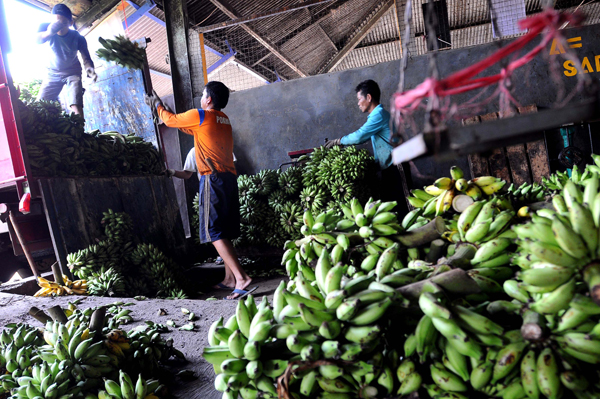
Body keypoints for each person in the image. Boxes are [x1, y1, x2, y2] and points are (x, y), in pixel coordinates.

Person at [145, 82, 254, 300]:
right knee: (223, 231)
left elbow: (170, 121)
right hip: (228, 178)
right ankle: (229, 279)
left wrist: (157, 105)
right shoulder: (223, 120)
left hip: (212, 178)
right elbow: (186, 127)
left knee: (213, 232)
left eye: (203, 96)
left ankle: (242, 279)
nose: (201, 99)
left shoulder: (201, 114)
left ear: (209, 100)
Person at [324, 79, 407, 213]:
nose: (358, 103)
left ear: (368, 97)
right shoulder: (377, 115)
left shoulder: (379, 115)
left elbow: (360, 136)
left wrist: (338, 141)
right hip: (388, 167)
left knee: (403, 203)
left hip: (397, 166)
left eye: (359, 99)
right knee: (392, 205)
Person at [36, 4, 97, 118]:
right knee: (39, 105)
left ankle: (79, 130)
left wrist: (90, 70)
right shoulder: (46, 29)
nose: (59, 26)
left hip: (72, 72)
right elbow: (38, 40)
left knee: (75, 104)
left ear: (71, 23)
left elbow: (86, 58)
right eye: (56, 23)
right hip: (52, 73)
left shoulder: (78, 37)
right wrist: (49, 32)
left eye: (63, 23)